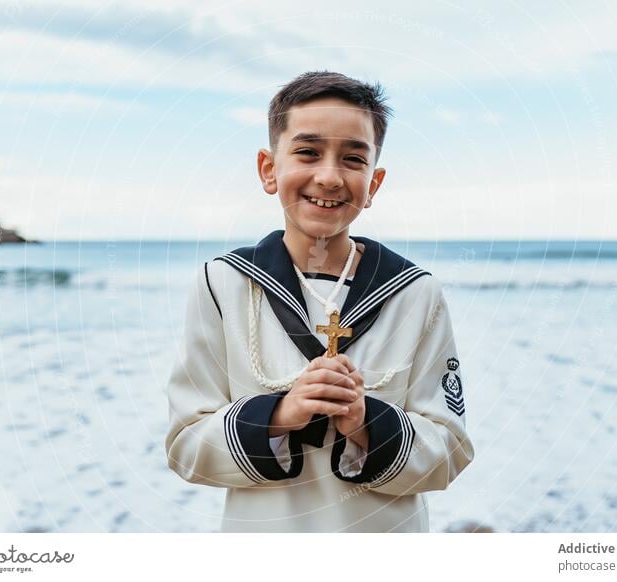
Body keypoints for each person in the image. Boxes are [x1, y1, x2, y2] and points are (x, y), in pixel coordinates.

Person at [165, 71, 474, 532]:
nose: (329, 177)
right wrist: (281, 415)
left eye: (353, 159)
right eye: (308, 152)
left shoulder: (414, 292)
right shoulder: (223, 284)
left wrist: (365, 420)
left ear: (374, 182)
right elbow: (186, 446)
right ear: (269, 169)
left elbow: (449, 452)